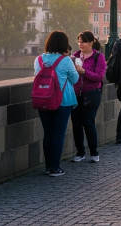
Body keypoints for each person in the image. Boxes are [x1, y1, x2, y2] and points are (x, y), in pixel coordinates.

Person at [36, 31, 80, 177]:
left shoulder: (39, 60)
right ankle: (55, 168)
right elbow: (74, 79)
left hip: (43, 99)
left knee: (48, 133)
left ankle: (49, 166)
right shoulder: (66, 60)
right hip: (63, 101)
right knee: (58, 134)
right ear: (63, 44)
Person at [71, 31, 107, 163]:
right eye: (79, 41)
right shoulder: (74, 56)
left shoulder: (98, 57)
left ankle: (94, 152)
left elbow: (99, 77)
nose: (80, 44)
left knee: (88, 122)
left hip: (91, 93)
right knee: (76, 124)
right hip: (76, 94)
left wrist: (84, 72)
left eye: (83, 41)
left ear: (91, 42)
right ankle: (80, 152)